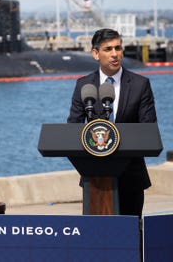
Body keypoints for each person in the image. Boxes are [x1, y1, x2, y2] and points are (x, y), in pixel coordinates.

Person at [67, 28, 157, 216]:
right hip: (94, 178)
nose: (115, 54)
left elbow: (149, 131)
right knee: (97, 237)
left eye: (118, 48)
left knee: (131, 236)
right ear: (95, 53)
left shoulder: (140, 85)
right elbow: (72, 130)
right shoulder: (84, 85)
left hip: (131, 177)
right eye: (108, 49)